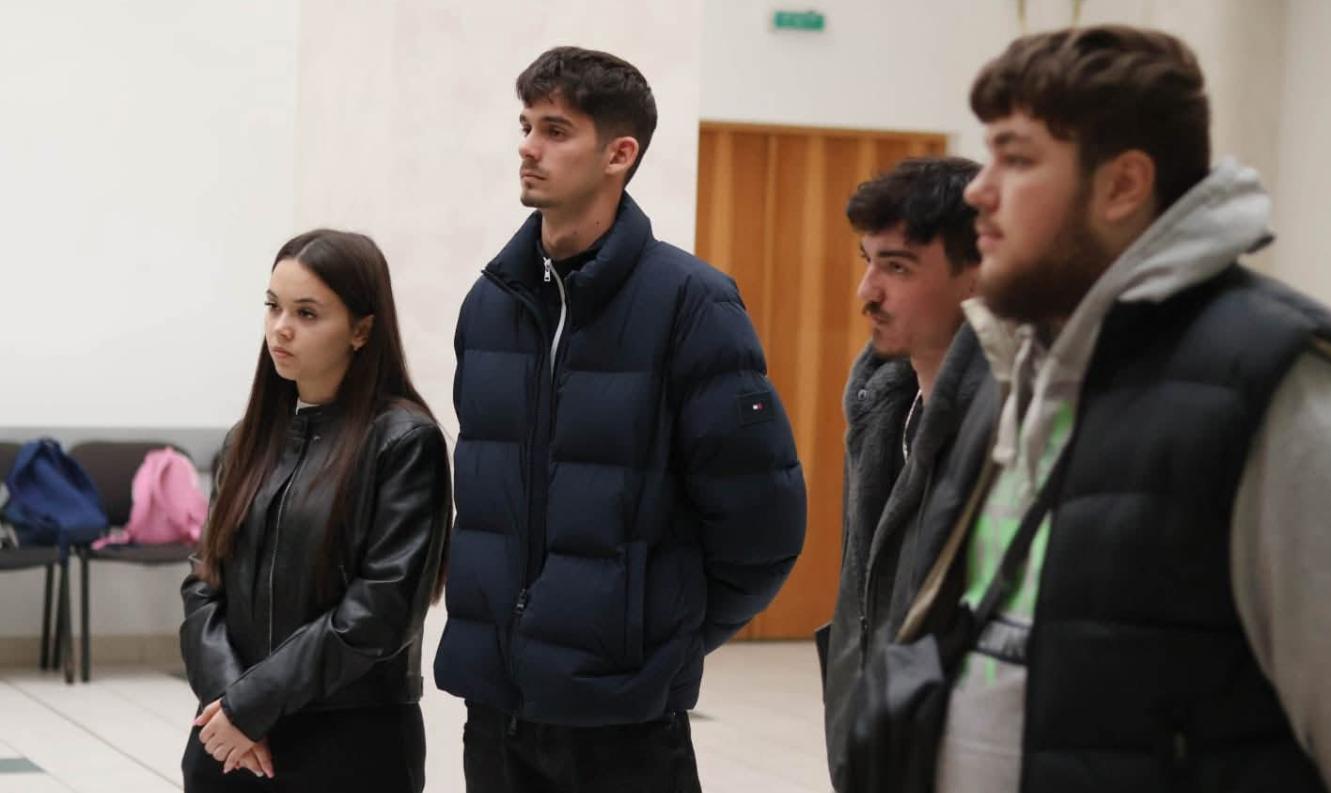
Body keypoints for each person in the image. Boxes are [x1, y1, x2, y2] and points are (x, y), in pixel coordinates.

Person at [915, 24, 1331, 791]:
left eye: (1017, 158)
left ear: (1122, 186)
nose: (978, 189)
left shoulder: (1282, 381)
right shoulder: (1022, 360)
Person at [434, 46, 807, 793]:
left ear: (619, 153)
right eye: (526, 126)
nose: (528, 147)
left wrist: (654, 640)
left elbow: (763, 528)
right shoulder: (491, 305)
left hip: (624, 724)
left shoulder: (693, 304)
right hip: (497, 709)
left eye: (555, 130)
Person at [179, 229, 451, 792]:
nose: (281, 328)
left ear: (361, 329)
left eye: (306, 313)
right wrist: (228, 701)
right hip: (232, 739)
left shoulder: (402, 441)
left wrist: (252, 704)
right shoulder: (248, 439)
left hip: (350, 741)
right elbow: (204, 581)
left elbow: (380, 610)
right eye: (273, 306)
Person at [818, 157, 992, 789]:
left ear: (976, 273)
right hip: (875, 745)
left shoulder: (1005, 422)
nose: (867, 292)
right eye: (868, 262)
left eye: (897, 267)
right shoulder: (881, 411)